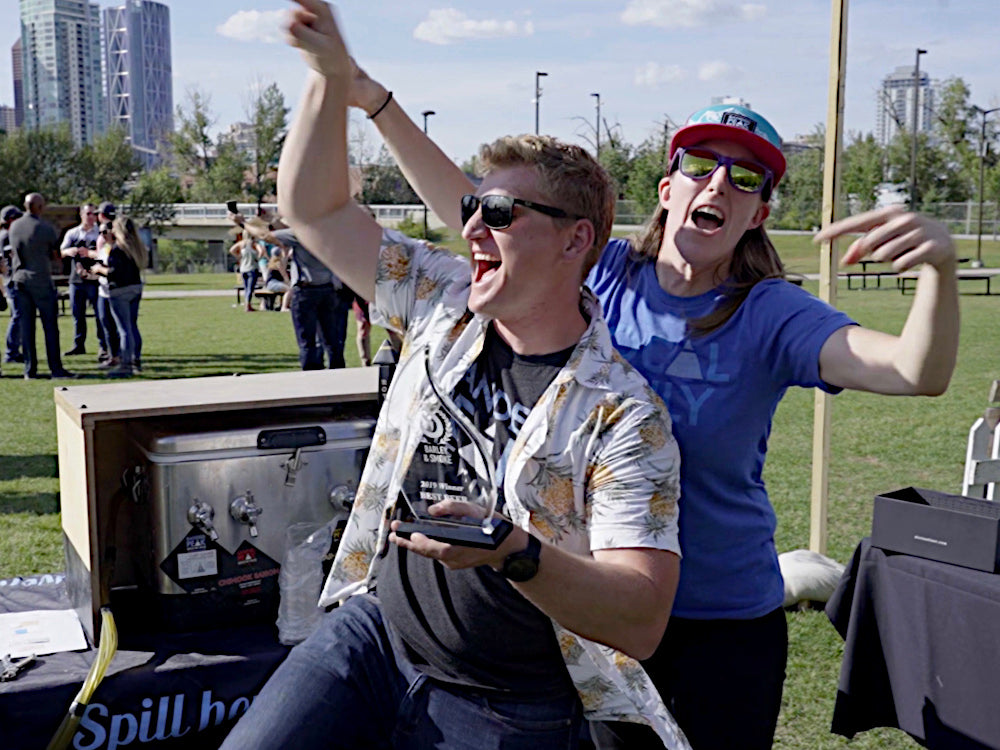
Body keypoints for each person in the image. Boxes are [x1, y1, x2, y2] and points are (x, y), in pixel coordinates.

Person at [345, 65, 960, 750]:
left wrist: (939, 270)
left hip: (718, 626)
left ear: (758, 214)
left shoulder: (771, 316)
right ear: (669, 190)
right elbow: (480, 205)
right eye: (701, 164)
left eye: (747, 178)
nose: (720, 182)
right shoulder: (597, 271)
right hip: (590, 605)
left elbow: (914, 371)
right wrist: (375, 102)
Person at [221, 3, 688, 749]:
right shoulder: (445, 302)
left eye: (498, 210)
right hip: (374, 638)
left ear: (576, 240)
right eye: (471, 206)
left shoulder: (626, 416)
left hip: (512, 700)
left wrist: (514, 552)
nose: (470, 226)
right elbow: (314, 208)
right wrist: (328, 81)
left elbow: (640, 615)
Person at [241, 216, 353, 369]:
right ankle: (338, 374)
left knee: (307, 341)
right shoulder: (332, 233)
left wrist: (242, 223)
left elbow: (264, 235)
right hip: (328, 289)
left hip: (306, 290)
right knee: (332, 340)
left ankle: (310, 374)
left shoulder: (300, 234)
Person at [8, 193, 75, 380]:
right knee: (50, 326)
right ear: (39, 207)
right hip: (41, 281)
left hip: (20, 279)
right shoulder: (45, 228)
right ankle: (56, 368)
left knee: (27, 327)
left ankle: (30, 369)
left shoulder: (15, 226)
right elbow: (55, 255)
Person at [90, 218, 147, 378]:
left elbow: (114, 272)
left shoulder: (118, 250)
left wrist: (99, 269)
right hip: (135, 288)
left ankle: (126, 364)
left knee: (124, 330)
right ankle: (136, 359)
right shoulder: (136, 248)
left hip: (120, 291)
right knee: (132, 326)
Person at [60, 203, 103, 357]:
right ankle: (79, 345)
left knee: (100, 314)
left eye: (93, 214)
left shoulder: (99, 233)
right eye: (88, 214)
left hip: (95, 279)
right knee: (78, 315)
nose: (91, 217)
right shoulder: (73, 233)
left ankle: (103, 346)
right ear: (81, 215)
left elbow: (104, 252)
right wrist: (69, 251)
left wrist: (90, 253)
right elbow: (62, 251)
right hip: (76, 279)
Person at [94, 201, 122, 367]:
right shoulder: (103, 246)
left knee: (119, 325)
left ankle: (123, 356)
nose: (103, 235)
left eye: (105, 232)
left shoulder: (117, 245)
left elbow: (112, 269)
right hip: (102, 289)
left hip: (115, 290)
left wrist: (100, 269)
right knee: (106, 324)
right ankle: (113, 355)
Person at [1, 205, 24, 366]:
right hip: (11, 279)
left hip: (11, 279)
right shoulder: (6, 236)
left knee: (18, 315)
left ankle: (14, 350)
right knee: (17, 315)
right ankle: (11, 352)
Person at [229, 230, 264, 312]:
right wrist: (257, 258)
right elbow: (261, 251)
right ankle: (248, 305)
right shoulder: (254, 244)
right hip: (252, 268)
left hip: (243, 268)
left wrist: (239, 256)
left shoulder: (241, 244)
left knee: (246, 288)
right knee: (250, 288)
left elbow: (232, 250)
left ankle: (247, 304)